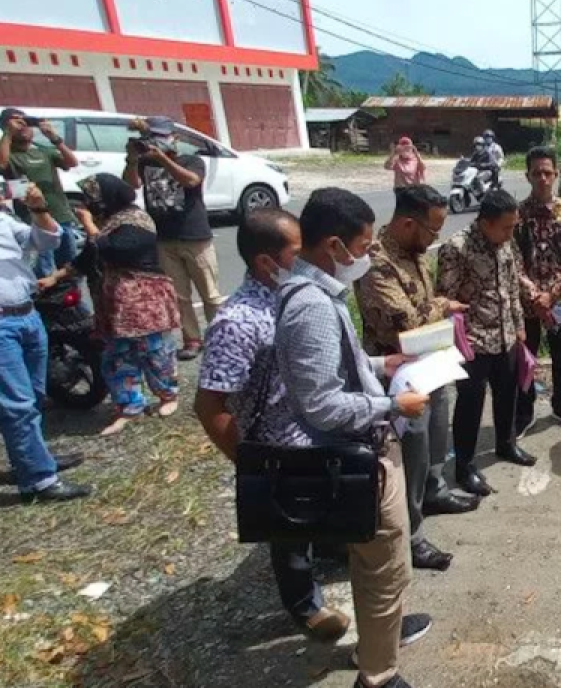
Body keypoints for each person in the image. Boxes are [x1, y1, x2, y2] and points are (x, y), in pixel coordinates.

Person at [275, 187, 432, 688]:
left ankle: (379, 646)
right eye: (364, 247)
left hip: (367, 446)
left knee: (384, 567)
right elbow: (320, 403)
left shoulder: (318, 296)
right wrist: (391, 403)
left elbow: (335, 366)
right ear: (334, 247)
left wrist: (381, 364)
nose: (367, 257)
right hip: (359, 454)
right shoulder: (312, 307)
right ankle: (378, 675)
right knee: (380, 568)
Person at [194, 210, 353, 641]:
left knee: (324, 509)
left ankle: (330, 546)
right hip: (280, 447)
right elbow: (210, 404)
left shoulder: (296, 298)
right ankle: (305, 607)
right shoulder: (239, 321)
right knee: (289, 534)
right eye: (297, 253)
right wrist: (249, 460)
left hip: (318, 430)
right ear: (267, 262)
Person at [356, 185, 479, 573]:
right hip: (400, 375)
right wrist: (443, 306)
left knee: (436, 435)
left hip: (432, 363)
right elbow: (405, 323)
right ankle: (410, 536)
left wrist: (434, 309)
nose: (434, 240)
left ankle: (435, 490)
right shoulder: (376, 263)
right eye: (432, 231)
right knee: (410, 451)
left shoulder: (415, 251)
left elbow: (422, 307)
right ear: (409, 223)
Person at [436, 189, 531, 497]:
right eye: (505, 226)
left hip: (506, 337)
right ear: (485, 222)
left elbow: (512, 286)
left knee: (508, 395)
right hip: (474, 343)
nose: (510, 232)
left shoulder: (506, 242)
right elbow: (444, 299)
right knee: (470, 404)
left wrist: (518, 328)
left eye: (512, 226)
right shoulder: (457, 248)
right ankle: (464, 466)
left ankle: (506, 444)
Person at [0, 183, 90, 503]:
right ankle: (39, 481)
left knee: (34, 397)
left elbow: (47, 239)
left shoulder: (5, 220)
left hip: (26, 315)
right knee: (18, 405)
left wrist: (39, 208)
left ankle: (30, 461)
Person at [70, 175, 180, 435]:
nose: (88, 204)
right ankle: (129, 406)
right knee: (117, 356)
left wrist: (88, 225)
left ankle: (168, 396)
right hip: (116, 305)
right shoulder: (109, 222)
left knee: (154, 352)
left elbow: (114, 251)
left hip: (143, 300)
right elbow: (89, 256)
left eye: (91, 198)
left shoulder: (136, 221)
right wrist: (57, 275)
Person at [122, 116, 221, 361]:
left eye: (162, 136)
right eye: (152, 136)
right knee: (179, 296)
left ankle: (220, 336)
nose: (157, 141)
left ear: (174, 138)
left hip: (195, 236)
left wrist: (163, 159)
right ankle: (192, 339)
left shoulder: (192, 160)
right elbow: (129, 185)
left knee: (210, 293)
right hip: (164, 238)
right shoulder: (145, 162)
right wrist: (133, 160)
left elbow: (191, 180)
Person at [515, 147, 561, 435]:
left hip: (559, 302)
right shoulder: (518, 215)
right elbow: (513, 261)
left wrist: (551, 294)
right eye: (536, 173)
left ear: (556, 174)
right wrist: (534, 295)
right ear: (528, 176)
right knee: (525, 357)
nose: (542, 178)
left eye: (547, 172)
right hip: (527, 302)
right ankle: (525, 409)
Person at [0, 108, 81, 278]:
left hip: (61, 215)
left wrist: (54, 137)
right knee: (44, 270)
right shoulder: (8, 152)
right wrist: (8, 134)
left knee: (69, 268)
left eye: (26, 122)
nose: (23, 126)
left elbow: (72, 162)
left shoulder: (42, 150)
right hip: (36, 221)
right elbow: (2, 165)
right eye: (16, 121)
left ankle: (71, 302)